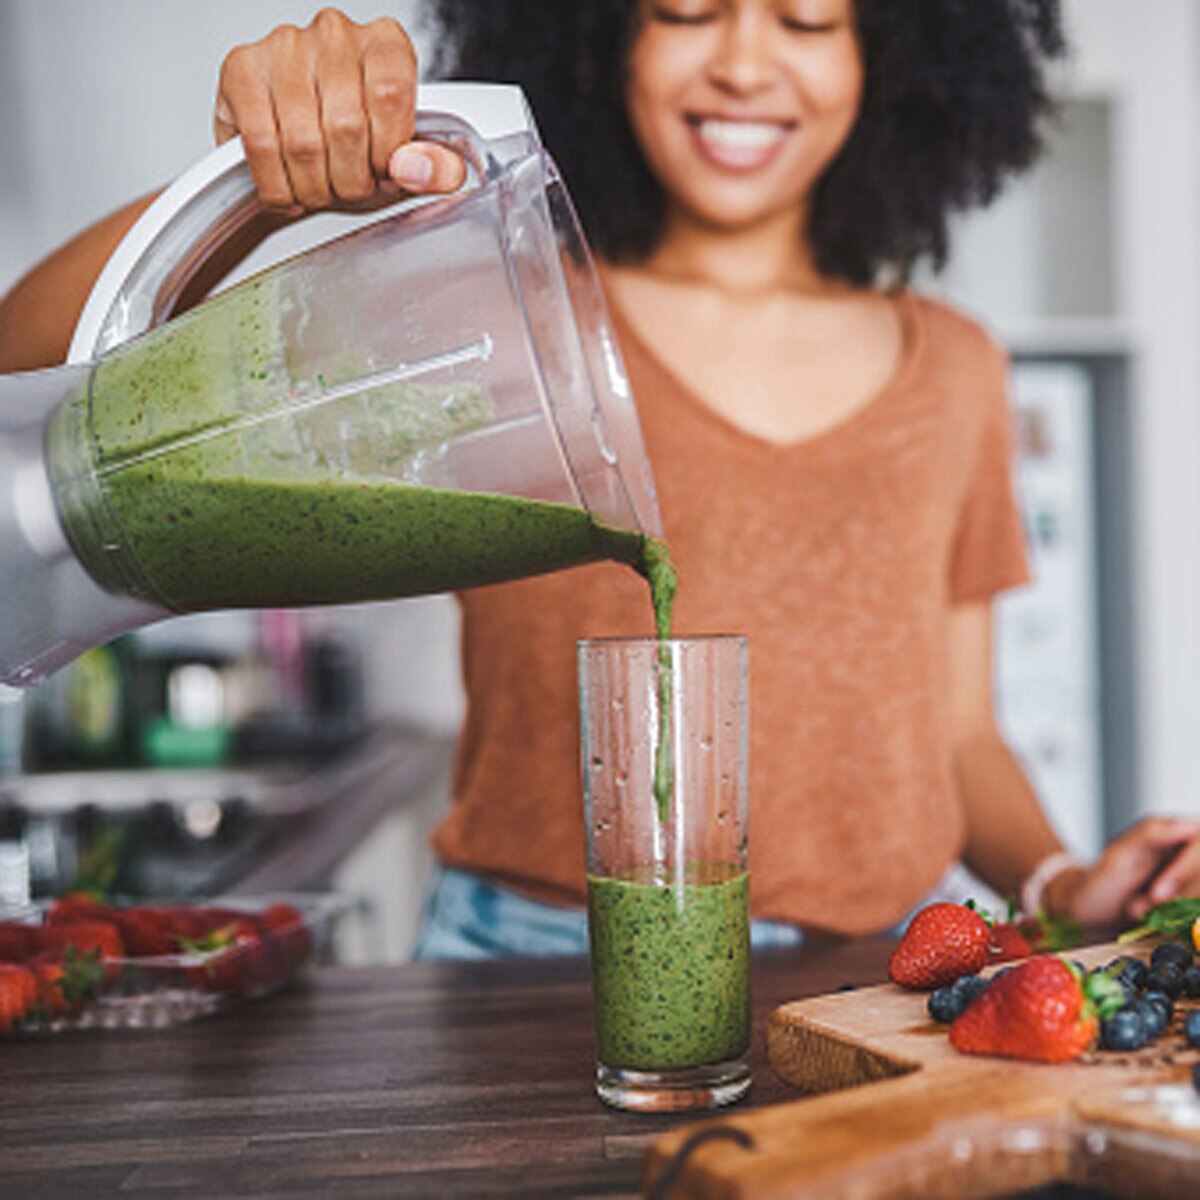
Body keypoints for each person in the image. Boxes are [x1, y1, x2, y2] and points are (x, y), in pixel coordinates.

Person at [4, 2, 1200, 957]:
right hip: (528, 966)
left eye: (805, 20)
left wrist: (1058, 881)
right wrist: (264, 185)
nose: (742, 62)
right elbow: (27, 372)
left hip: (886, 971)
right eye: (686, 10)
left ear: (887, 55)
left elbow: (957, 730)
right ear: (603, 38)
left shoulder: (956, 366)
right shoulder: (487, 308)